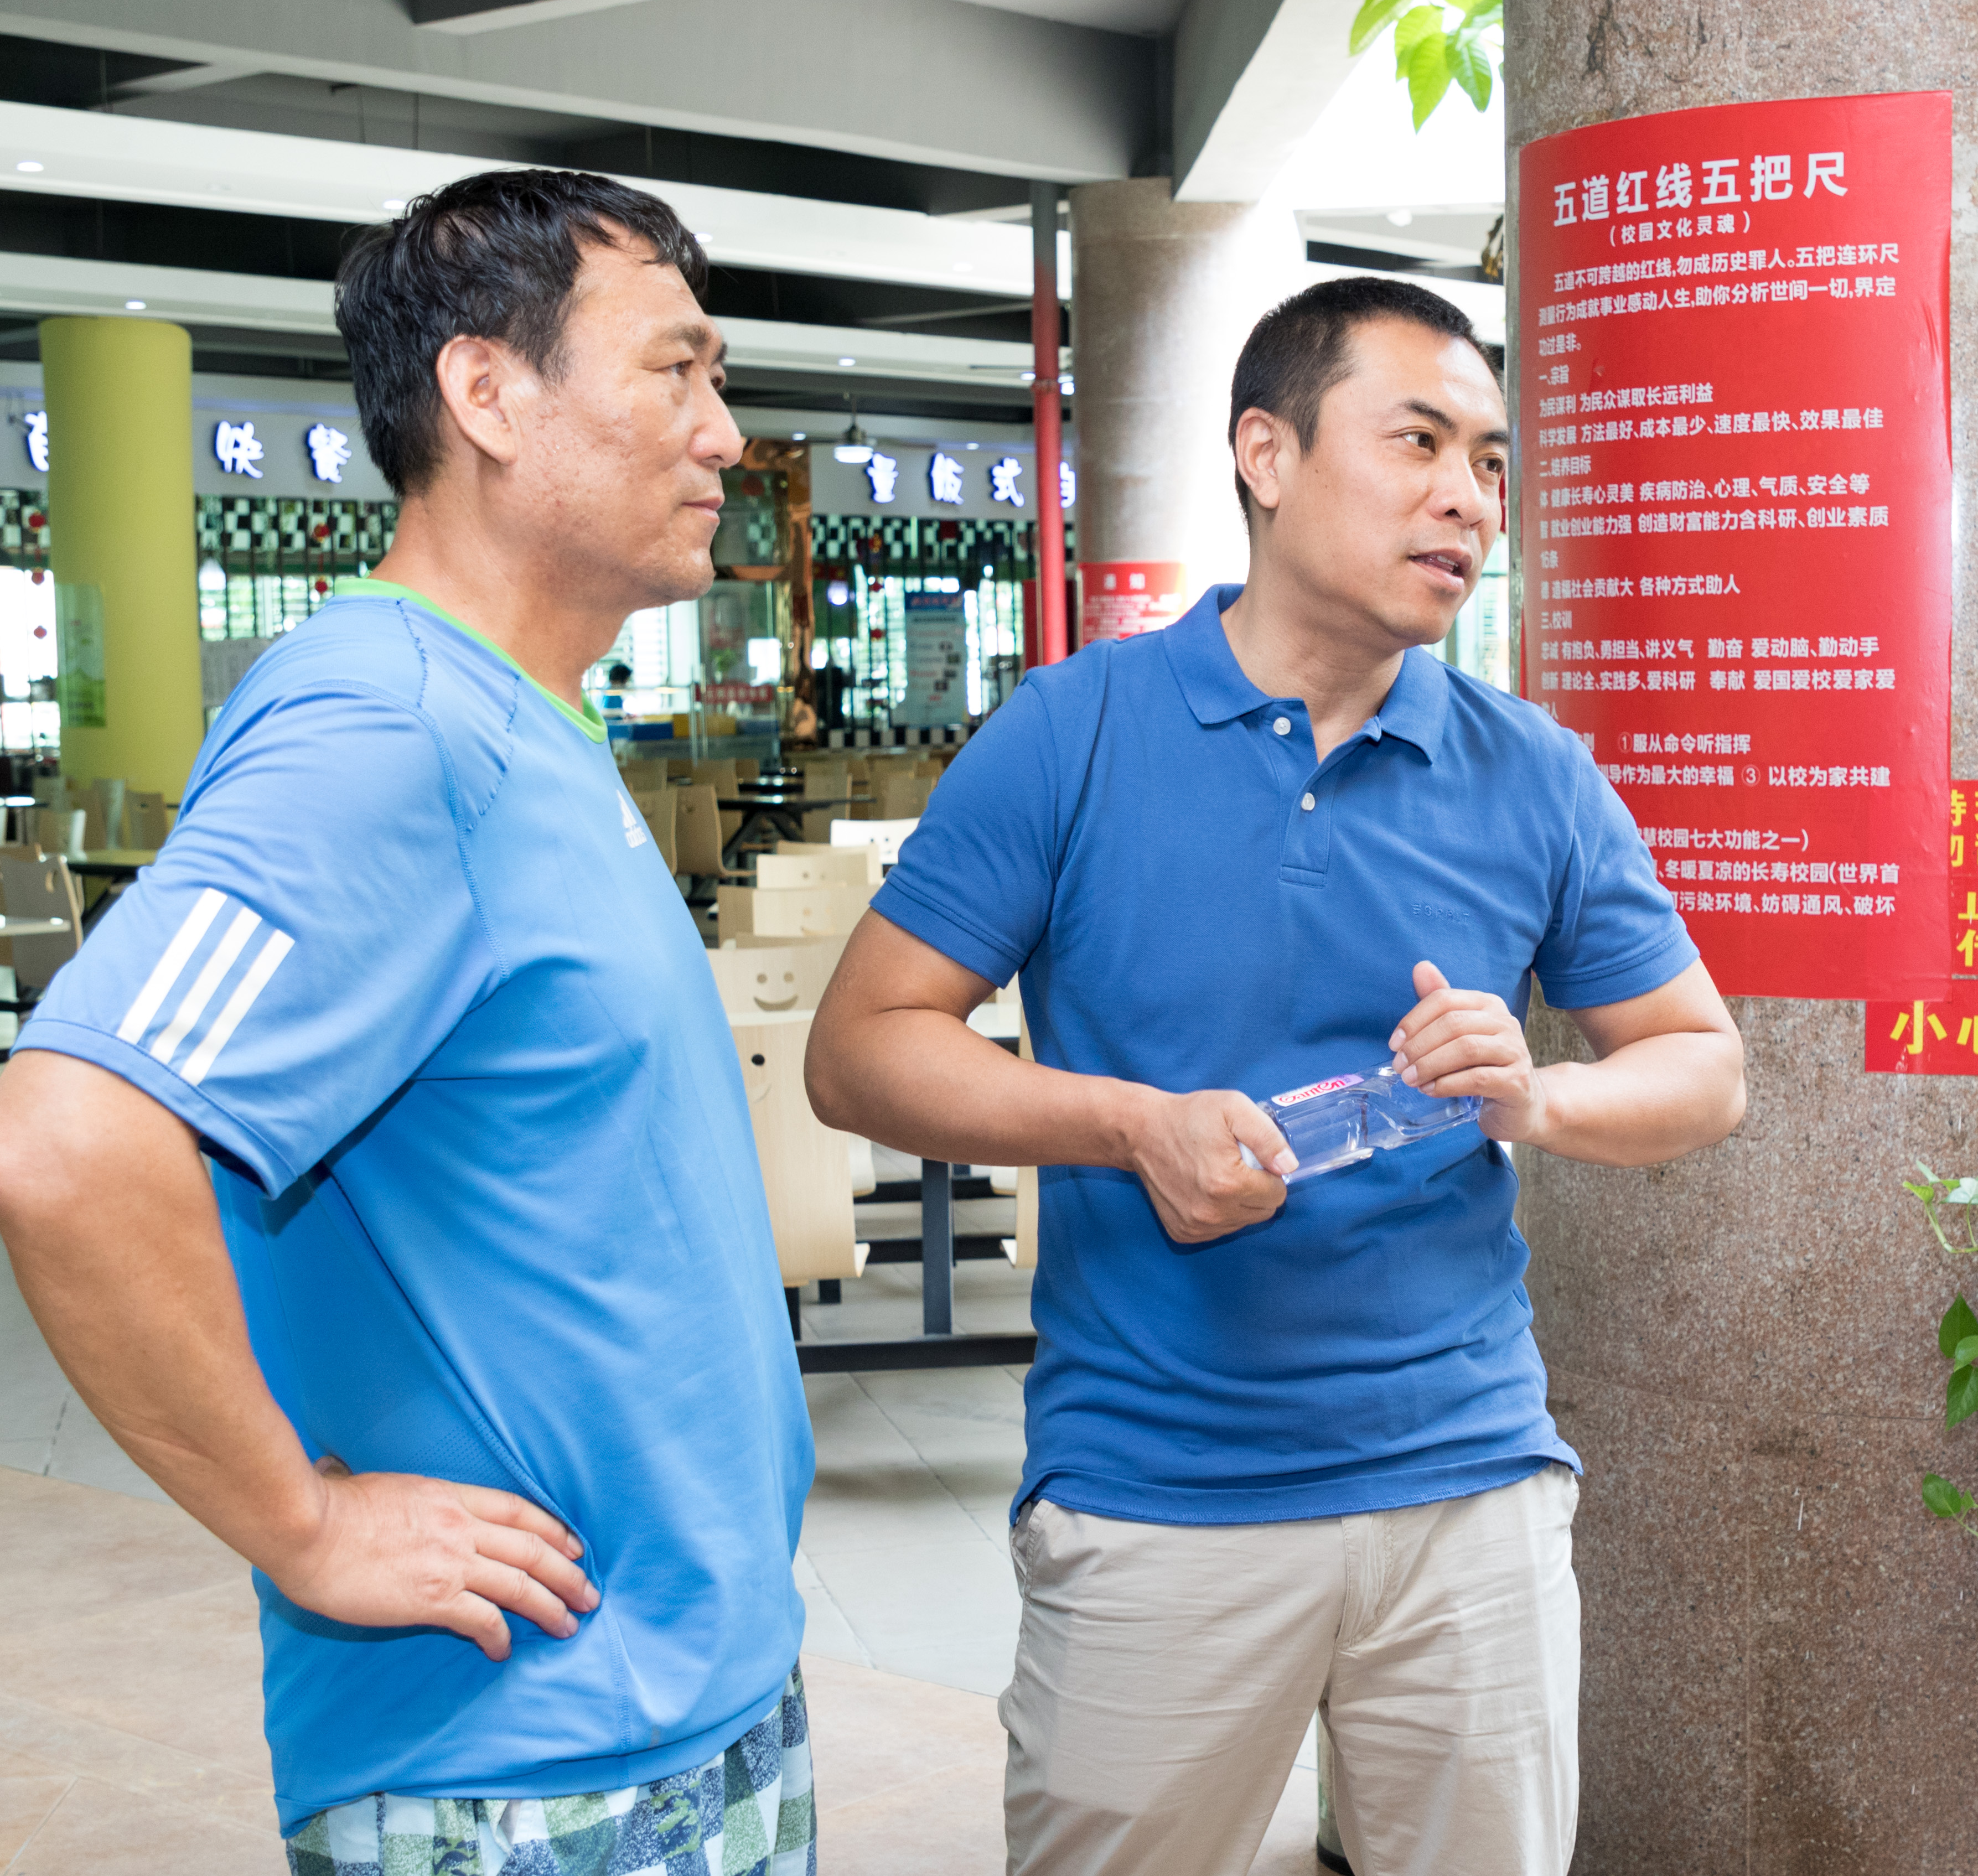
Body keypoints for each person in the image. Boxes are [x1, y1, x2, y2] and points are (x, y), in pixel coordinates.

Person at [805, 274, 1746, 1876]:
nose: (1470, 497)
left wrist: (1534, 1098)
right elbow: (860, 1047)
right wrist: (1129, 1127)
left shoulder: (1533, 770)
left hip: (1467, 1481)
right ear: (1266, 454)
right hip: (1157, 1485)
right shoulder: (1074, 732)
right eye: (1419, 442)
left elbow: (1702, 1065)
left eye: (1492, 461)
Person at [0, 170, 817, 1873]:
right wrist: (302, 1521)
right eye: (674, 369)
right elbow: (69, 1138)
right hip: (525, 1764)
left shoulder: (525, 721)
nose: (723, 434)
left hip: (688, 1698)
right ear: (487, 394)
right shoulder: (386, 726)